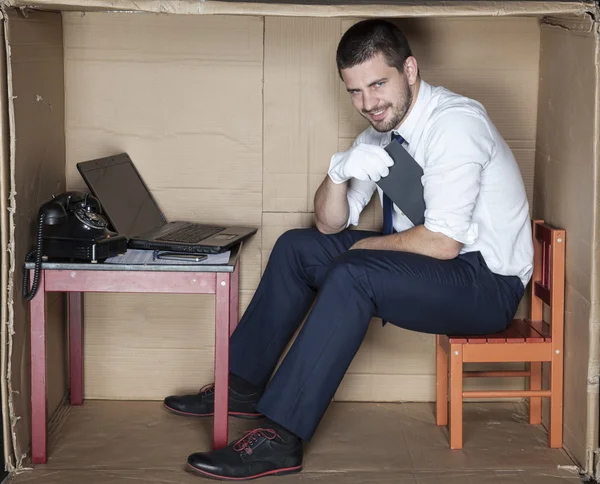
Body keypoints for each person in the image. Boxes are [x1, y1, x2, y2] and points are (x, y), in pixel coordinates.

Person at [164, 19, 534, 481]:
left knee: (352, 272)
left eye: (378, 84)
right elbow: (327, 223)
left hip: (484, 283)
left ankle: (279, 439)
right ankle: (241, 386)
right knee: (299, 247)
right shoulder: (381, 130)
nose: (369, 104)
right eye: (355, 91)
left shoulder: (455, 125)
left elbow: (441, 243)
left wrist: (354, 255)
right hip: (434, 264)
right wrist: (339, 173)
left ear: (410, 70)